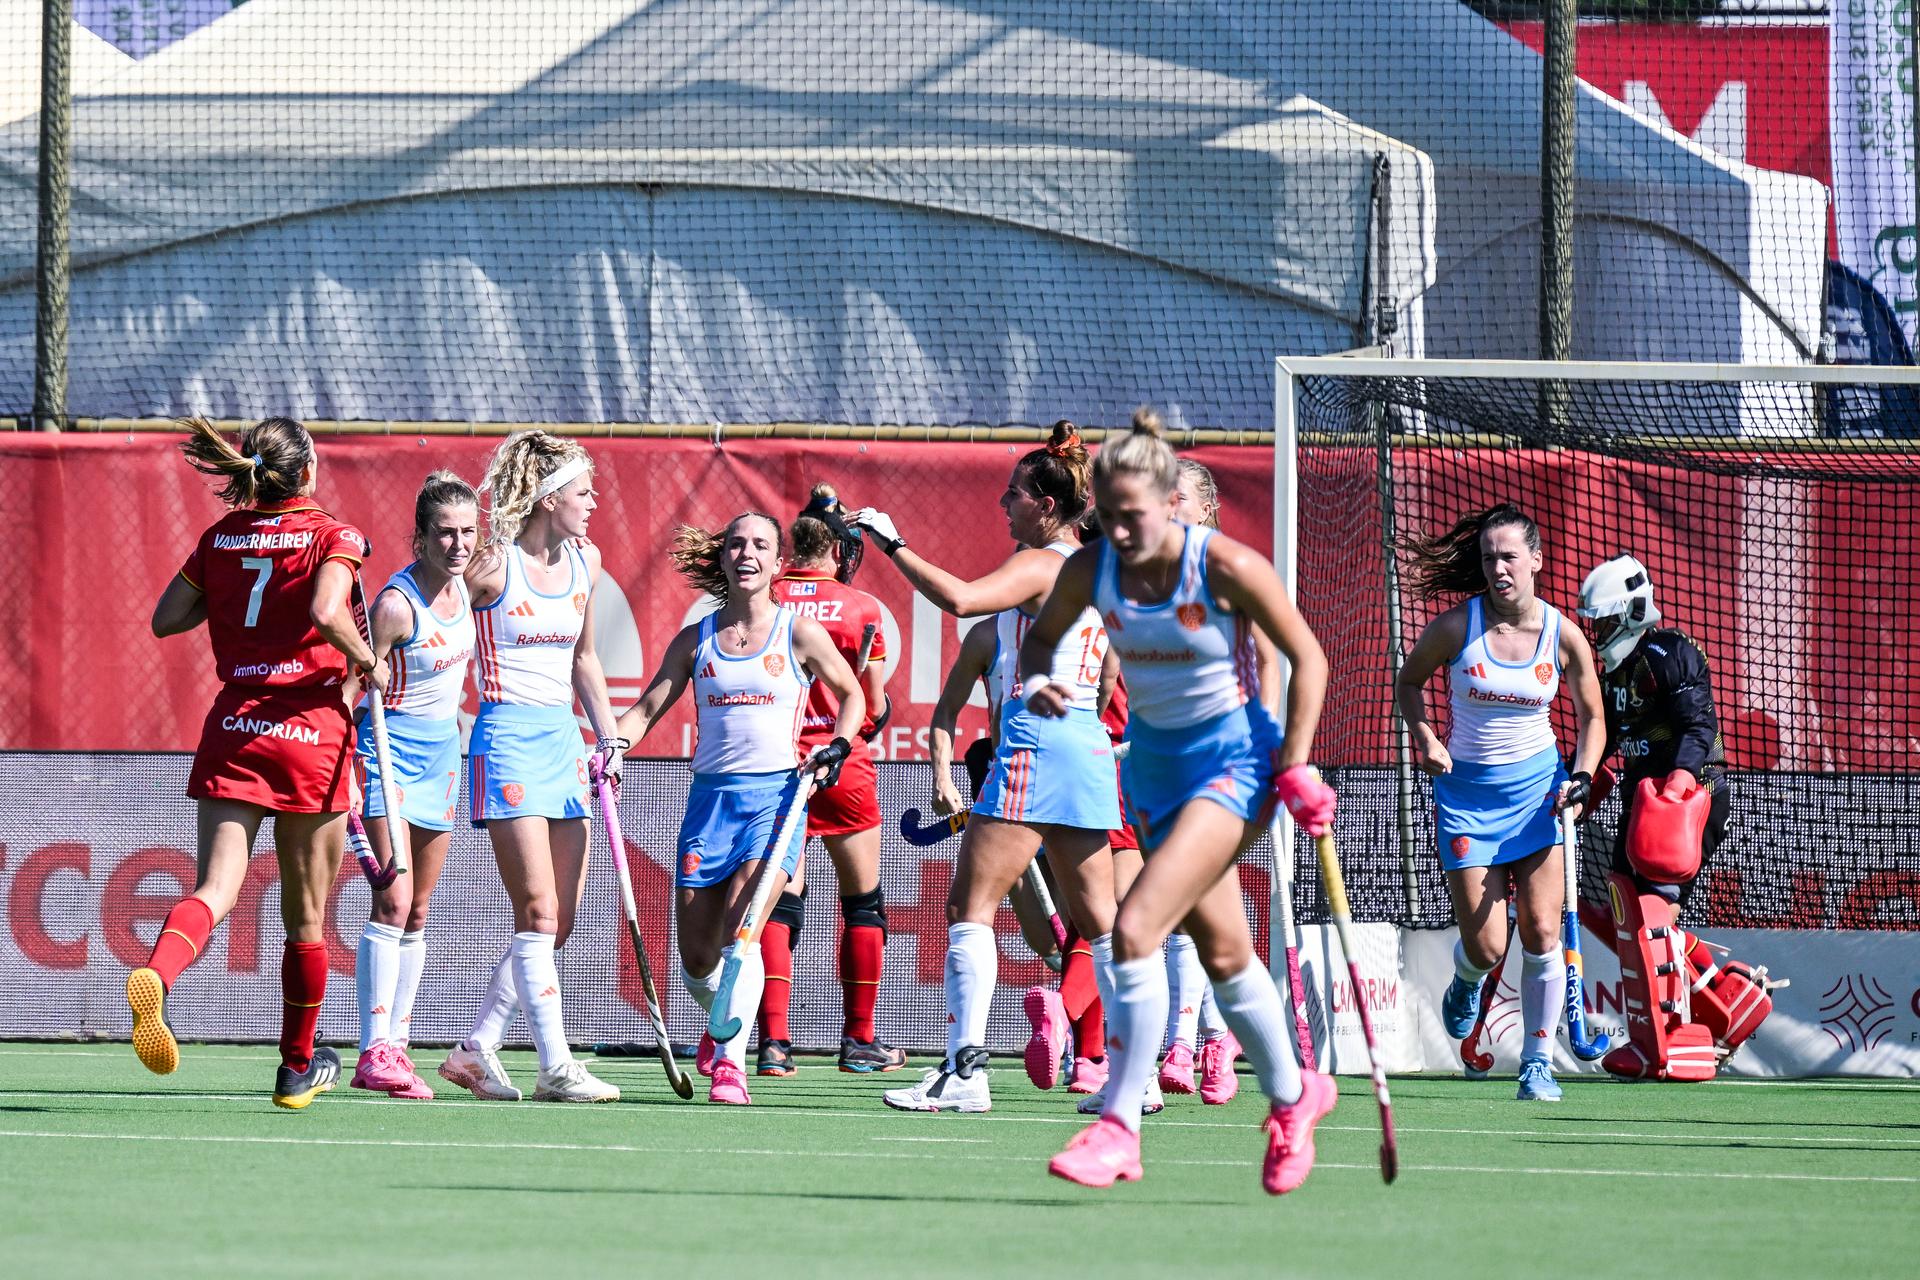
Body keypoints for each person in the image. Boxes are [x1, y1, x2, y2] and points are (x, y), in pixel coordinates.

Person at [1023, 409, 1339, 1192]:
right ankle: (1298, 1097)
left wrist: (1295, 764)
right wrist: (1039, 682)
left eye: (1135, 516)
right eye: (1109, 516)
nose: (1122, 532)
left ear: (1171, 502)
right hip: (1155, 775)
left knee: (1133, 927)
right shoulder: (1090, 571)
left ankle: (1118, 1128)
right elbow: (1038, 642)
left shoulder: (1225, 565)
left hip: (1230, 769)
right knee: (1227, 954)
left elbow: (1308, 656)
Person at [855, 421, 1122, 1115]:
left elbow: (962, 599)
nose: (1004, 507)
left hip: (1037, 744)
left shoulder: (1045, 564)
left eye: (1015, 495)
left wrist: (893, 544)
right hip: (1087, 747)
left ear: (1048, 504)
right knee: (1103, 924)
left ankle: (964, 1074)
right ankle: (1134, 1073)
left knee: (967, 907)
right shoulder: (1098, 570)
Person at [129, 416, 381, 1109]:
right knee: (305, 919)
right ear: (304, 473)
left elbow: (165, 618)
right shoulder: (336, 534)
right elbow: (331, 609)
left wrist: (232, 593)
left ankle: (159, 974)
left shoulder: (220, 537)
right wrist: (367, 660)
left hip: (236, 725)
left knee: (216, 888)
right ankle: (296, 1068)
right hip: (309, 731)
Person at [615, 513, 864, 1105]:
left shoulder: (797, 633)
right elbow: (648, 707)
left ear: (780, 564)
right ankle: (720, 1019)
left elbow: (853, 694)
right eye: (737, 544)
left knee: (741, 934)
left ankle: (731, 1065)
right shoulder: (697, 639)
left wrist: (838, 744)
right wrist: (611, 747)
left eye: (761, 546)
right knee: (696, 962)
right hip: (710, 804)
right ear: (723, 558)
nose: (747, 553)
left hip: (777, 801)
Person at [436, 432, 623, 1104]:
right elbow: (432, 606)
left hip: (563, 743)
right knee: (539, 910)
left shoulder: (587, 562)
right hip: (506, 736)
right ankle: (556, 1066)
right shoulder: (491, 566)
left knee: (559, 920)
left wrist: (610, 738)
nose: (593, 502)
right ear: (550, 498)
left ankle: (474, 1048)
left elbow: (584, 659)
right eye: (582, 491)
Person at [1395, 503, 1604, 1102]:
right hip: (1466, 796)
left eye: (1509, 556)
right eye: (1489, 558)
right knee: (1488, 946)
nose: (1498, 568)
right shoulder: (1456, 627)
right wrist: (1426, 736)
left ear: (1537, 559)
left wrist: (1583, 776)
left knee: (1540, 930)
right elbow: (1408, 682)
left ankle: (1537, 1063)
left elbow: (1592, 716)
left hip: (1539, 793)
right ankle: (1467, 978)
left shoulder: (1562, 635)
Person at [1577, 555, 1776, 1080]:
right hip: (1642, 798)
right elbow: (1607, 750)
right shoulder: (1611, 673)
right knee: (1622, 909)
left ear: (1629, 612)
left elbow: (1699, 728)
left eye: (1601, 621)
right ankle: (1727, 1001)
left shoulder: (1670, 653)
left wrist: (1681, 785)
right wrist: (1578, 798)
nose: (1595, 632)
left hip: (1690, 796)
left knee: (1652, 911)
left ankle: (1664, 1047)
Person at [757, 485, 906, 1076]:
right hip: (844, 762)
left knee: (777, 904)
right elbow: (870, 704)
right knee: (863, 903)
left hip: (778, 764)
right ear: (839, 549)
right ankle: (859, 1040)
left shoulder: (765, 595)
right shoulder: (862, 608)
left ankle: (772, 1044)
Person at [349, 472, 479, 1100]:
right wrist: (348, 767)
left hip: (443, 758)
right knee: (392, 903)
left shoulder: (472, 589)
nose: (458, 545)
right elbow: (351, 688)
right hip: (390, 754)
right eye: (445, 534)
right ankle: (373, 1049)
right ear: (420, 540)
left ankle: (397, 1045)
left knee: (420, 909)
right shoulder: (397, 607)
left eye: (467, 533)